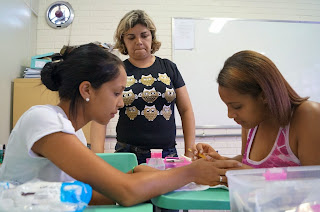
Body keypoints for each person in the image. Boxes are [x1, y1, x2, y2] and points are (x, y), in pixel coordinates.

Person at [0, 43, 241, 206]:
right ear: (87, 90)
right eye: (116, 93)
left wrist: (138, 177)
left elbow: (84, 194)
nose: (121, 102)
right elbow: (124, 193)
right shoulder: (44, 120)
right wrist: (189, 172)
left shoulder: (72, 133)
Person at [90, 10, 195, 164]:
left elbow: (186, 110)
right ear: (123, 41)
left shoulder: (169, 67)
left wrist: (189, 152)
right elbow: (100, 115)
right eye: (131, 37)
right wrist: (96, 159)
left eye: (144, 35)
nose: (138, 41)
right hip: (127, 155)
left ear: (152, 37)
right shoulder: (116, 71)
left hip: (167, 154)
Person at [191, 50, 320, 172]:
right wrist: (221, 161)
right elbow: (248, 163)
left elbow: (314, 183)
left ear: (264, 95)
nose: (230, 115)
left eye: (237, 106)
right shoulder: (251, 123)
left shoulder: (308, 115)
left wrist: (253, 176)